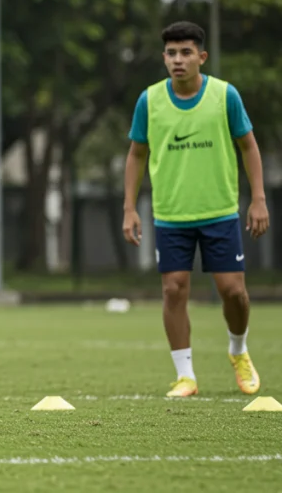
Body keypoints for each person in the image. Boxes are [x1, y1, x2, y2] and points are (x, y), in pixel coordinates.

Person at [122, 21, 268, 398]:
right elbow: (137, 154)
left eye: (186, 52)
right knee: (173, 289)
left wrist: (258, 199)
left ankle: (238, 351)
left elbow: (249, 146)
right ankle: (185, 375)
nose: (178, 60)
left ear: (201, 57)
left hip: (219, 211)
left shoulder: (224, 95)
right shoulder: (149, 100)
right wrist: (129, 208)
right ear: (164, 58)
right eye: (171, 53)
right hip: (171, 215)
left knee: (233, 292)